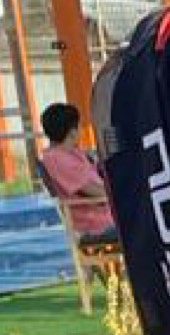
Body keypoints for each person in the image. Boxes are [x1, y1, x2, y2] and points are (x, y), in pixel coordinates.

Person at [37, 102, 116, 243]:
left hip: (106, 216)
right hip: (97, 224)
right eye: (80, 126)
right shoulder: (58, 160)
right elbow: (94, 192)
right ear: (73, 132)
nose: (81, 130)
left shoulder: (69, 153)